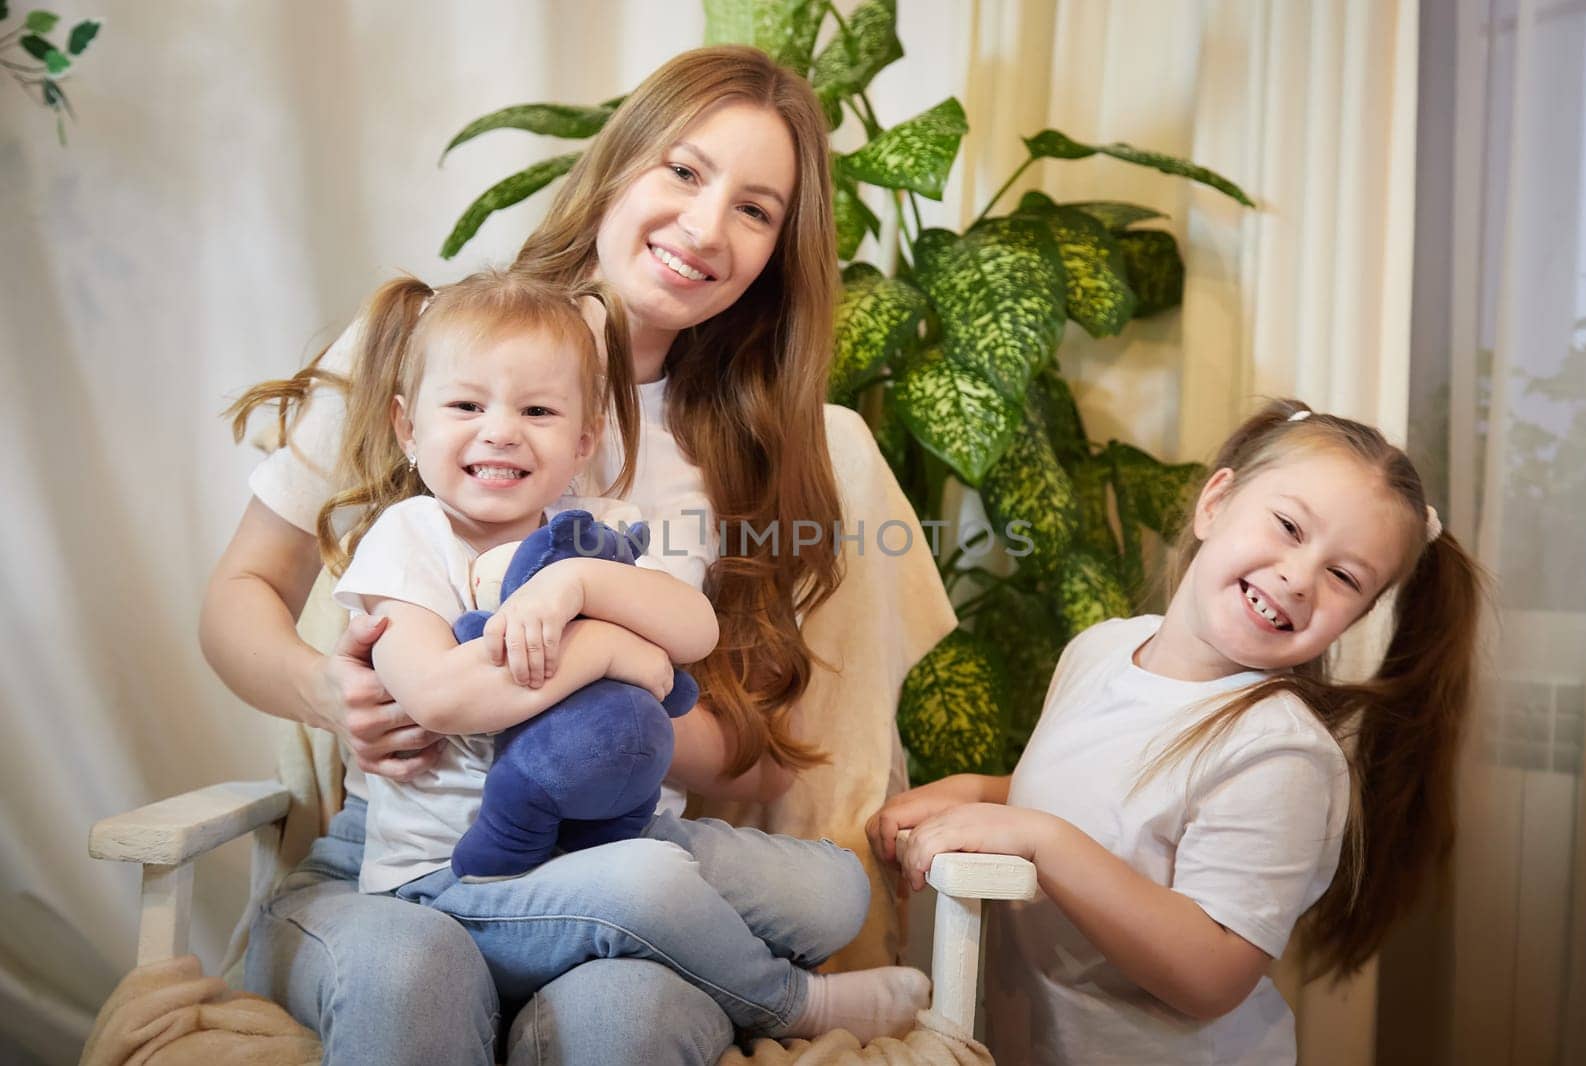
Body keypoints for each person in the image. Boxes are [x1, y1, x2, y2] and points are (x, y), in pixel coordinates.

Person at [202, 45, 922, 1066]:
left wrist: (594, 695)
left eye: (756, 210)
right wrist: (328, 690)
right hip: (401, 854)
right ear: (618, 163)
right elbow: (240, 594)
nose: (706, 227)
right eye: (682, 170)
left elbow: (747, 747)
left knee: (630, 1016)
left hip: (618, 849)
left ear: (777, 251)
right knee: (413, 974)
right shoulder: (428, 348)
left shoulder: (746, 443)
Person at [325, 265, 927, 1040]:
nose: (501, 430)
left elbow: (693, 632)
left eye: (537, 410)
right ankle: (790, 1002)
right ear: (411, 429)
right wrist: (607, 650)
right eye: (467, 406)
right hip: (457, 875)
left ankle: (646, 930)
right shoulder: (409, 539)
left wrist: (576, 584)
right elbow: (441, 698)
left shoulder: (593, 528)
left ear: (582, 442)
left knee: (832, 891)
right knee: (649, 885)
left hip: (609, 832)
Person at [869, 400, 1485, 1065]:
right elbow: (1102, 802)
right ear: (1216, 503)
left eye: (1343, 577)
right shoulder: (1100, 650)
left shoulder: (1280, 753)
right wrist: (984, 795)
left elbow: (1211, 974)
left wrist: (1037, 838)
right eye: (1287, 526)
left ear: (1358, 615)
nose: (1298, 577)